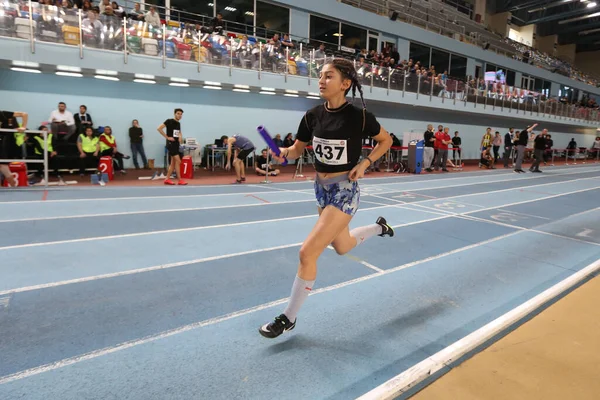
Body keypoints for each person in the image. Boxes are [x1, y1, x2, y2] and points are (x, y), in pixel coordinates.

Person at [259, 58, 394, 339]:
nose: (321, 80)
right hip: (321, 188)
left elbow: (386, 141)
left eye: (328, 76)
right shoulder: (312, 116)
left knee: (307, 252)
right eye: (320, 76)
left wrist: (366, 163)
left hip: (346, 189)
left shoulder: (359, 116)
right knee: (343, 246)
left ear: (345, 84)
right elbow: (296, 150)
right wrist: (282, 152)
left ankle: (289, 317)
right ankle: (380, 227)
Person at [157, 108, 188, 185]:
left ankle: (167, 179)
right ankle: (180, 179)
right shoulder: (169, 121)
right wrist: (167, 137)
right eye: (178, 113)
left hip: (176, 144)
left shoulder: (178, 123)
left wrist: (180, 136)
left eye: (181, 114)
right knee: (179, 161)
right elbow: (159, 128)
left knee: (173, 163)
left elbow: (179, 132)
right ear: (174, 114)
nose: (180, 115)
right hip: (171, 144)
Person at [0, 110, 28, 187]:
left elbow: (24, 114)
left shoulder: (3, 114)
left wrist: (23, 127)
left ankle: (14, 188)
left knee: (3, 168)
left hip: (4, 144)